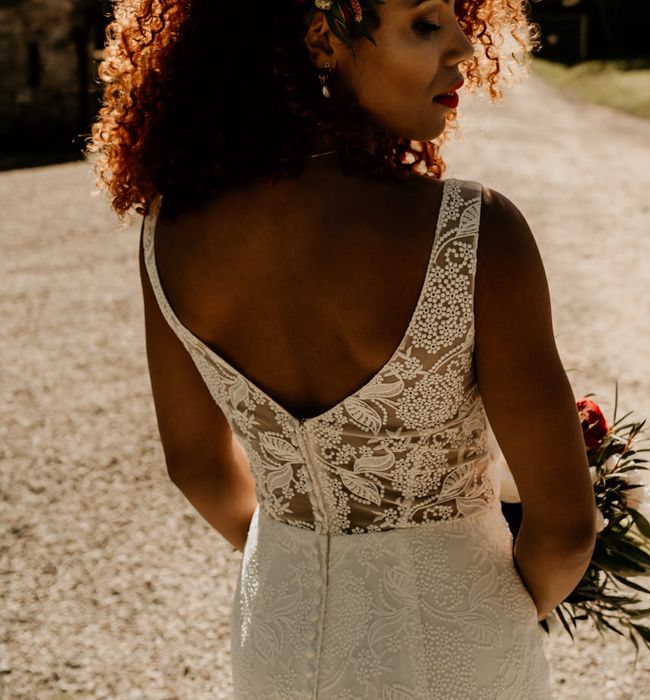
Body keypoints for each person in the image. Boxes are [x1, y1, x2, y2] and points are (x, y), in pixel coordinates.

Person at [87, 0, 596, 697]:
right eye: (425, 23)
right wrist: (493, 614)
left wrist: (303, 572)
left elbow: (199, 469)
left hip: (279, 637)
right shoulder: (476, 231)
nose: (466, 50)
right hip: (461, 649)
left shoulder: (168, 229)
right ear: (323, 41)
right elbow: (566, 529)